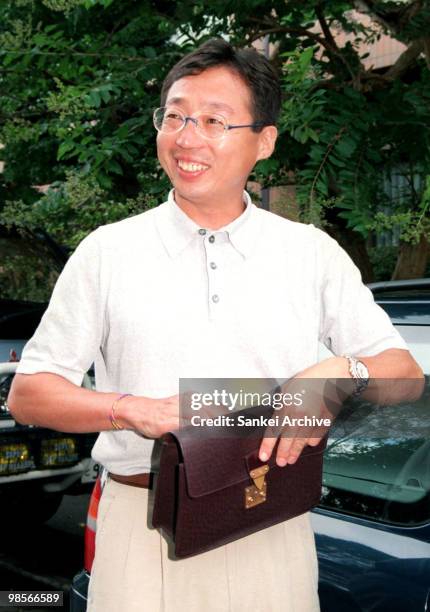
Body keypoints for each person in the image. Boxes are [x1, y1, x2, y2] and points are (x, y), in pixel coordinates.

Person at [8, 38, 423, 612]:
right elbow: (30, 394)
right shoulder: (108, 252)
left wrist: (340, 371)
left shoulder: (311, 254)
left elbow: (405, 376)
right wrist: (132, 409)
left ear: (265, 141)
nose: (187, 137)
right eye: (175, 116)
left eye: (214, 120)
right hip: (143, 533)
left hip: (272, 532)